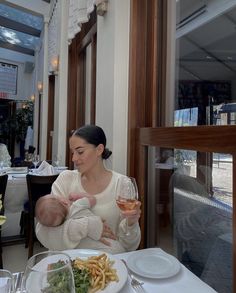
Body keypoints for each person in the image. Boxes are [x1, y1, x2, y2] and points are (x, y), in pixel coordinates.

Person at [36, 125, 141, 253]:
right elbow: (45, 232)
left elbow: (129, 246)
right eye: (72, 153)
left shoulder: (122, 184)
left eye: (80, 152)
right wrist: (88, 227)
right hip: (68, 264)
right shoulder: (66, 180)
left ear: (99, 149)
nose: (74, 158)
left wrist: (131, 223)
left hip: (106, 265)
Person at [35, 193, 126, 253]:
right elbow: (92, 199)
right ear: (64, 202)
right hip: (111, 245)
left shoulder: (58, 228)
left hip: (94, 250)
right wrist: (78, 196)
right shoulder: (77, 205)